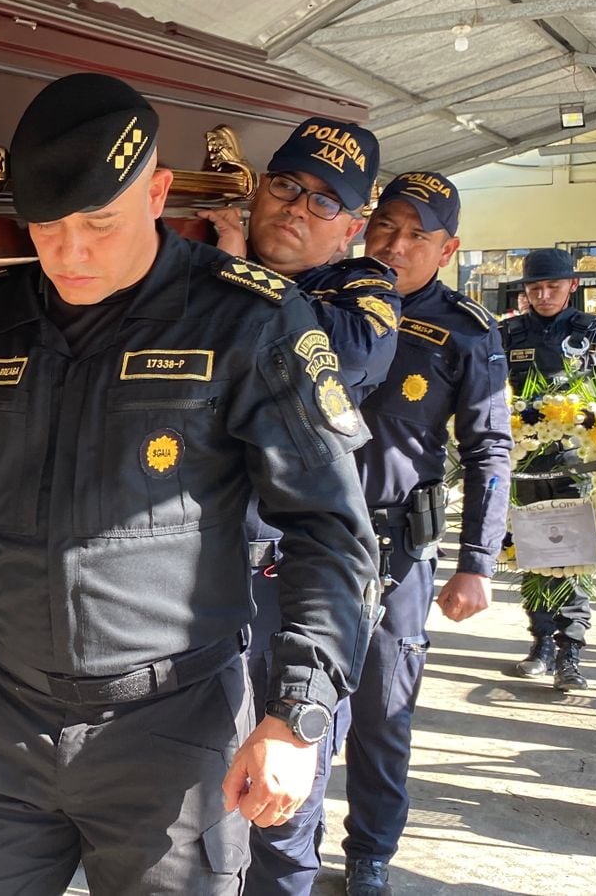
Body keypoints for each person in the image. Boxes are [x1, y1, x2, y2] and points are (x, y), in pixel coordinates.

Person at [0, 74, 377, 894]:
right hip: (0, 721)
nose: (72, 254)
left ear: (157, 193)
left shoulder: (247, 318)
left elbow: (330, 528)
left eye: (99, 223)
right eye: (47, 228)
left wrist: (299, 714)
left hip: (169, 729)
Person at [199, 118, 399, 896]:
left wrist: (237, 276)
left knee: (278, 821)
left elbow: (337, 358)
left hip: (291, 588)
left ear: (351, 228)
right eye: (286, 186)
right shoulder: (201, 267)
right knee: (186, 812)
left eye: (324, 202)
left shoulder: (362, 292)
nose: (296, 207)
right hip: (196, 586)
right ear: (257, 190)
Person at [343, 172, 512, 896]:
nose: (395, 245)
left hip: (393, 548)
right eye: (386, 225)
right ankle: (281, 845)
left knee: (382, 711)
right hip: (295, 537)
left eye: (418, 235)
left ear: (448, 249)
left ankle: (371, 852)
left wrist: (477, 562)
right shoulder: (325, 298)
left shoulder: (465, 330)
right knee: (285, 698)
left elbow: (489, 448)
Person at [500, 247, 596, 691]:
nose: (543, 294)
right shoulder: (508, 334)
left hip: (579, 462)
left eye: (553, 286)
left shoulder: (595, 332)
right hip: (525, 462)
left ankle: (570, 650)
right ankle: (541, 643)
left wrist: (595, 433)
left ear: (572, 285)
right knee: (532, 551)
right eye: (535, 287)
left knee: (574, 554)